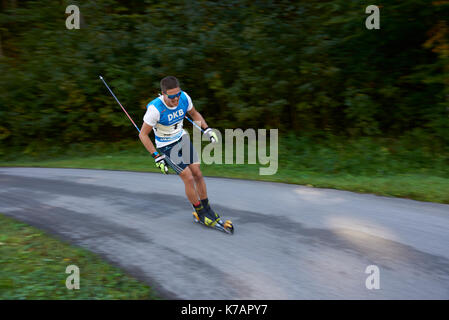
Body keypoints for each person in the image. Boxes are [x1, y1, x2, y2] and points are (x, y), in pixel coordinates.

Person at [139, 76, 221, 227]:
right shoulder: (155, 109)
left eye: (178, 95)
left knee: (198, 173)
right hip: (166, 145)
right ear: (163, 94)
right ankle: (200, 213)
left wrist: (207, 129)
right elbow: (143, 134)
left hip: (181, 138)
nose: (176, 99)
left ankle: (208, 209)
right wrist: (156, 157)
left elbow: (195, 114)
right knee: (188, 177)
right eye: (172, 97)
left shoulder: (184, 97)